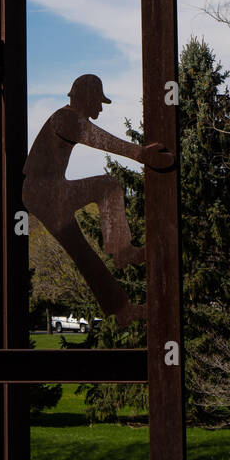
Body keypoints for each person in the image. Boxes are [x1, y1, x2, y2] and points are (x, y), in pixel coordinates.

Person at [22, 74, 173, 328]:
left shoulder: (68, 118)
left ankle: (122, 309)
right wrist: (140, 154)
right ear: (87, 97)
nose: (101, 108)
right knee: (108, 186)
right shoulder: (65, 118)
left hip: (42, 193)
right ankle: (123, 251)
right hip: (45, 192)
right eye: (98, 101)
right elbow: (95, 137)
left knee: (84, 255)